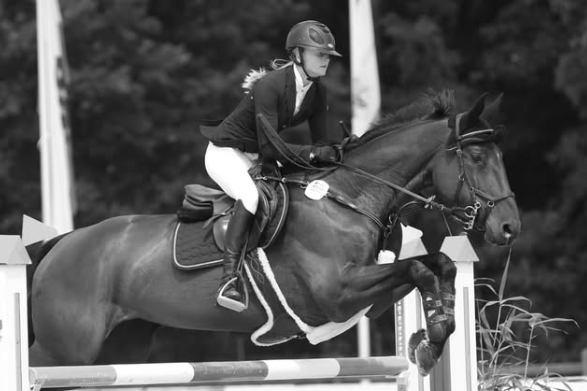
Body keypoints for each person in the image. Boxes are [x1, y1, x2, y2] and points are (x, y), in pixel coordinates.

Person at [201, 20, 344, 312]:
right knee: (251, 197)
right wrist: (316, 155)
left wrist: (340, 151)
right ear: (297, 55)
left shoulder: (318, 92)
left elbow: (322, 142)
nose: (326, 60)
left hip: (259, 158)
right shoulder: (271, 85)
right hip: (226, 153)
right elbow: (272, 147)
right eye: (320, 54)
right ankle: (229, 279)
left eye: (328, 55)